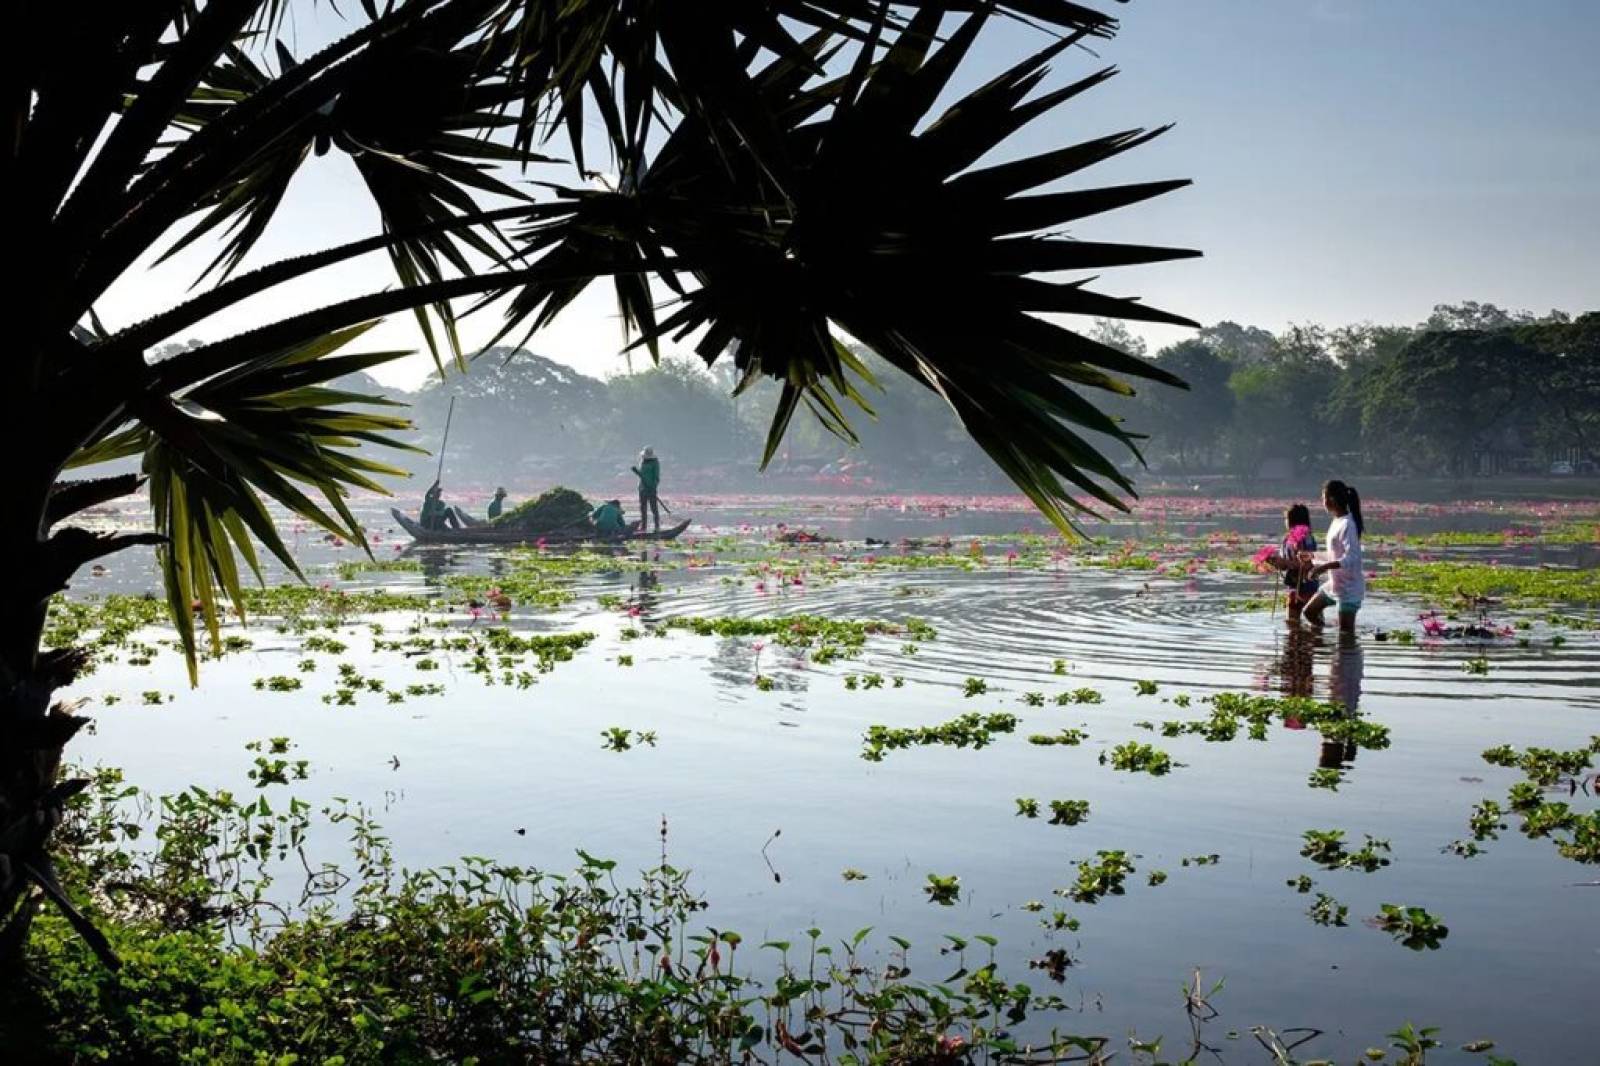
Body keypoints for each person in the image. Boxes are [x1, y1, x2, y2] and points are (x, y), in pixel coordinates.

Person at [1301, 480, 1364, 632]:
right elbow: (1333, 555)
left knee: (1346, 635)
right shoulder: (1337, 521)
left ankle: (1340, 650)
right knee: (1309, 612)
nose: (1322, 502)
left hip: (1349, 588)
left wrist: (1323, 567)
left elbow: (1352, 558)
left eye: (1323, 497)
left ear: (1332, 499)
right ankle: (1324, 640)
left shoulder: (1348, 524)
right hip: (1335, 584)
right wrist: (1312, 556)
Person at [1265, 503, 1319, 622]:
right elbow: (1285, 565)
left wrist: (1285, 562)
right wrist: (1273, 561)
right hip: (1293, 586)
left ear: (1293, 520)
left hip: (1307, 587)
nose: (1285, 521)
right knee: (1292, 624)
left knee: (1314, 624)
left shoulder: (1306, 538)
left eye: (1286, 518)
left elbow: (1308, 564)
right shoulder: (1287, 539)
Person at [632, 447, 662, 533]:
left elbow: (656, 477)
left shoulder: (655, 463)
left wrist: (653, 487)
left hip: (651, 488)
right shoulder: (642, 462)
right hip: (642, 488)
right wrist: (637, 472)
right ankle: (643, 527)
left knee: (654, 508)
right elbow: (642, 475)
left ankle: (657, 527)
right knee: (643, 508)